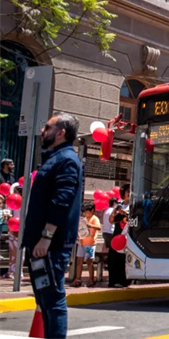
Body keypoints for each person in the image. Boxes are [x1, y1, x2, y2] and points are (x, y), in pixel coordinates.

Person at [22, 113, 82, 339]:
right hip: (40, 244)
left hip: (50, 246)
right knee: (44, 301)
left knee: (53, 301)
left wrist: (46, 237)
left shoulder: (66, 160)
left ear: (60, 133)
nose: (42, 131)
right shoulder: (54, 158)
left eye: (47, 128)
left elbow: (61, 201)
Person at [73, 202, 101, 287]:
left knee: (89, 261)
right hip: (81, 242)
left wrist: (90, 225)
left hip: (90, 243)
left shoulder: (94, 218)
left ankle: (91, 278)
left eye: (87, 212)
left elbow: (99, 227)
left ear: (92, 211)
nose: (85, 214)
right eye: (84, 212)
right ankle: (78, 278)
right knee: (79, 261)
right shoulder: (83, 218)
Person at [108, 183, 130, 288]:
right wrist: (115, 214)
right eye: (127, 192)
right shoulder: (119, 204)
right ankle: (113, 280)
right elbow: (111, 220)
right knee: (113, 257)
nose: (129, 194)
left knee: (123, 258)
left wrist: (126, 214)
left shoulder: (134, 205)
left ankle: (123, 280)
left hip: (127, 234)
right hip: (117, 234)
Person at [2, 182, 22, 280]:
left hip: (20, 228)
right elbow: (8, 214)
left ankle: (17, 272)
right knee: (12, 251)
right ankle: (12, 271)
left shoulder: (24, 202)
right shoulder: (11, 200)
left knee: (18, 251)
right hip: (13, 228)